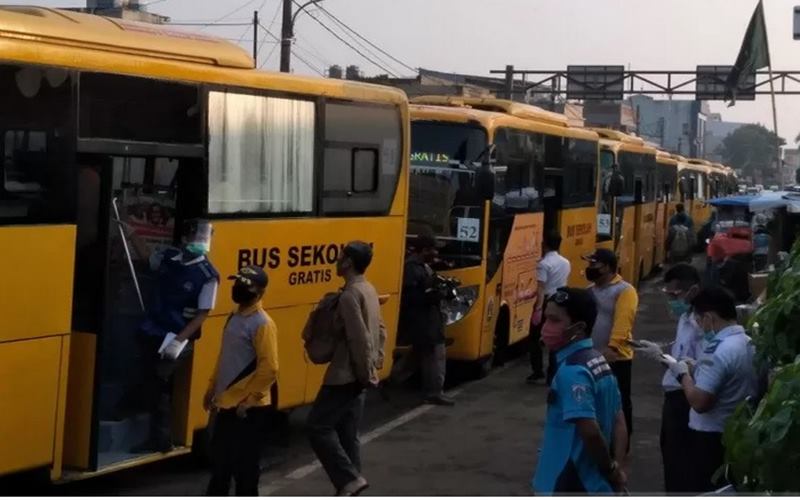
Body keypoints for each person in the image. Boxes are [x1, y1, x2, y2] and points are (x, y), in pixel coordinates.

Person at [122, 219, 219, 452]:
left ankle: (160, 439)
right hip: (153, 328)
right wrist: (132, 233)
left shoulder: (208, 275)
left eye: (204, 239)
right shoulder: (170, 258)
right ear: (185, 239)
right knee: (140, 371)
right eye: (196, 238)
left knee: (159, 380)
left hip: (177, 336)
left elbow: (202, 314)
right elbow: (148, 258)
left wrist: (179, 340)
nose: (200, 243)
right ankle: (130, 410)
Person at [307, 241, 386, 496]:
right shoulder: (369, 289)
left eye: (340, 257)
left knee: (318, 427)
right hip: (361, 371)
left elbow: (358, 337)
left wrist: (364, 374)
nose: (336, 260)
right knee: (347, 432)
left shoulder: (351, 294)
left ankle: (349, 480)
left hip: (346, 374)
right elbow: (380, 331)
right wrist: (375, 364)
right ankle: (351, 485)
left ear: (349, 262)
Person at [661, 287, 758, 493]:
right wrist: (696, 367)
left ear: (709, 317)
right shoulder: (749, 343)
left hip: (710, 438)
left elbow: (700, 402)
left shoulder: (717, 350)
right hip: (736, 431)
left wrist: (682, 374)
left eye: (699, 320)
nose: (699, 325)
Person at [532, 287, 628, 494]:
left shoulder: (572, 372)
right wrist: (617, 467)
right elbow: (619, 419)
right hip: (597, 484)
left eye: (555, 321)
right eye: (547, 319)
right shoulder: (598, 360)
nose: (546, 327)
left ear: (579, 328)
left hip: (568, 481)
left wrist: (611, 469)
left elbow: (590, 431)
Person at [205, 265, 279, 496]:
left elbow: (270, 368)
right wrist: (212, 388)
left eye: (246, 286)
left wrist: (248, 400)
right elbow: (224, 357)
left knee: (245, 471)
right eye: (237, 283)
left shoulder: (262, 324)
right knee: (220, 467)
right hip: (227, 404)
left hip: (247, 410)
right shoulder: (234, 318)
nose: (238, 289)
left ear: (260, 292)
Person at [636, 264, 703, 494]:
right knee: (671, 457)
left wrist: (665, 360)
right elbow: (680, 350)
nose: (671, 300)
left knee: (681, 463)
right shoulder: (685, 317)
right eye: (668, 294)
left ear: (692, 291)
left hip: (685, 398)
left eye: (675, 294)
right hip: (673, 396)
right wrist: (661, 350)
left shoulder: (701, 324)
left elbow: (695, 365)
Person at [393, 231, 454, 406]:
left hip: (430, 320)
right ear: (424, 250)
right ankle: (434, 392)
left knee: (418, 357)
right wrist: (433, 296)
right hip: (424, 321)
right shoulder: (412, 268)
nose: (436, 253)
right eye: (433, 250)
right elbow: (410, 298)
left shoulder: (424, 266)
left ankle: (389, 380)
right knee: (434, 357)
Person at [584, 249, 638, 440]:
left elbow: (624, 321)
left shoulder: (625, 290)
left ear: (606, 267)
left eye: (593, 264)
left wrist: (613, 347)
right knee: (596, 401)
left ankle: (622, 442)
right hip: (593, 356)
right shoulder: (590, 290)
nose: (589, 268)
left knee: (619, 402)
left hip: (616, 357)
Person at [527, 231, 571, 384]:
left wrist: (538, 309)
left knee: (534, 338)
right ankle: (553, 372)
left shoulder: (543, 264)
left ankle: (537, 371)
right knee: (556, 337)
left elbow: (541, 288)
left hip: (547, 301)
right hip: (561, 301)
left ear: (544, 245)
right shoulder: (565, 262)